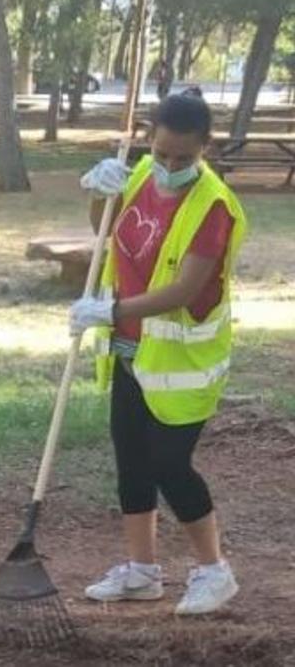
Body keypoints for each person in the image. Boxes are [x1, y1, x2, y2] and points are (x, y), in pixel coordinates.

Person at [71, 92, 248, 615]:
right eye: (163, 153)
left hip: (184, 365)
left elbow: (185, 290)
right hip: (131, 347)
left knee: (169, 464)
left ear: (205, 149)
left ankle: (214, 571)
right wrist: (101, 190)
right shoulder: (141, 171)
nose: (170, 167)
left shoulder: (213, 207)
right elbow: (104, 229)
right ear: (151, 138)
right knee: (131, 461)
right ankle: (142, 571)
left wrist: (110, 308)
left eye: (183, 159)